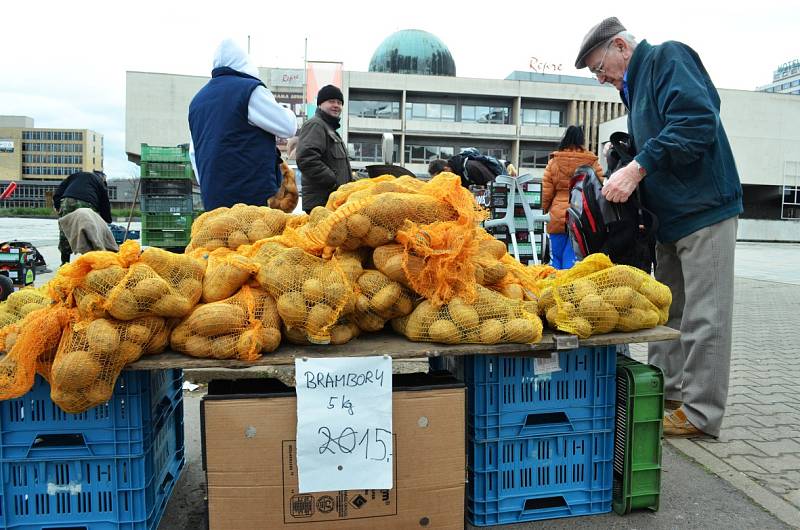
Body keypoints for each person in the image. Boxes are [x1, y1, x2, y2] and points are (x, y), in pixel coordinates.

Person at [575, 17, 743, 438]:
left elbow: (696, 122)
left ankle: (701, 414)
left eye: (599, 68)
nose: (600, 79)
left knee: (706, 318)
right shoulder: (634, 85)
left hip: (705, 210)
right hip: (668, 220)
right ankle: (665, 395)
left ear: (620, 46)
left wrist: (637, 167)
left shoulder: (667, 56)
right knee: (666, 313)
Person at [188, 39, 297, 211]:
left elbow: (194, 154)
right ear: (245, 63)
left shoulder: (197, 102)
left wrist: (212, 188)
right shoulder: (249, 90)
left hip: (214, 202)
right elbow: (288, 126)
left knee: (220, 238)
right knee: (259, 238)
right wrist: (285, 110)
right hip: (253, 199)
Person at [541, 125, 604, 269]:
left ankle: (552, 288)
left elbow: (546, 193)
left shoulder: (554, 162)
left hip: (557, 216)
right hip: (581, 215)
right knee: (572, 260)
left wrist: (543, 211)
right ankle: (568, 289)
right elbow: (598, 190)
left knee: (555, 258)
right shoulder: (591, 162)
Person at [296, 85, 353, 213]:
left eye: (339, 102)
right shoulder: (316, 125)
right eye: (331, 101)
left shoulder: (330, 129)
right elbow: (307, 159)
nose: (336, 105)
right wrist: (333, 182)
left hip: (333, 203)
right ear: (320, 104)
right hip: (321, 205)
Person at [53, 170, 112, 265]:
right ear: (102, 178)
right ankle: (90, 262)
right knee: (89, 231)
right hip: (87, 204)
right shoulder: (99, 181)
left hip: (67, 201)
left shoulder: (75, 175)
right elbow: (105, 203)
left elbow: (58, 191)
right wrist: (107, 220)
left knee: (65, 230)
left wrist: (58, 206)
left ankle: (64, 262)